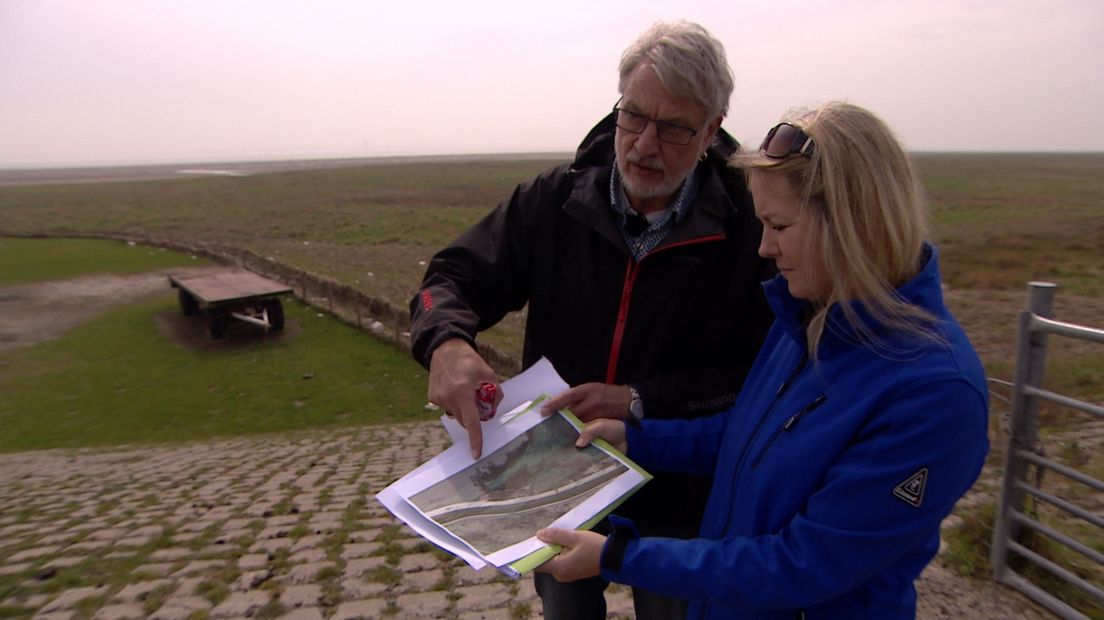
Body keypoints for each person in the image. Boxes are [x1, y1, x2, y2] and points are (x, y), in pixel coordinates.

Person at [534, 101, 991, 619]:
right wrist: (640, 439)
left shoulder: (935, 395)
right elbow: (753, 433)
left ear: (850, 223)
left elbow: (802, 564)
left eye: (778, 226)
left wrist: (620, 556)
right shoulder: (810, 317)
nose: (764, 249)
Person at [409, 20, 776, 620]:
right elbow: (449, 276)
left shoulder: (750, 229)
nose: (644, 144)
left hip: (681, 489)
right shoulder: (554, 200)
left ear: (711, 130)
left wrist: (640, 398)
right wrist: (446, 341)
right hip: (554, 481)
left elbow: (758, 370)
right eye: (633, 116)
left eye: (675, 127)